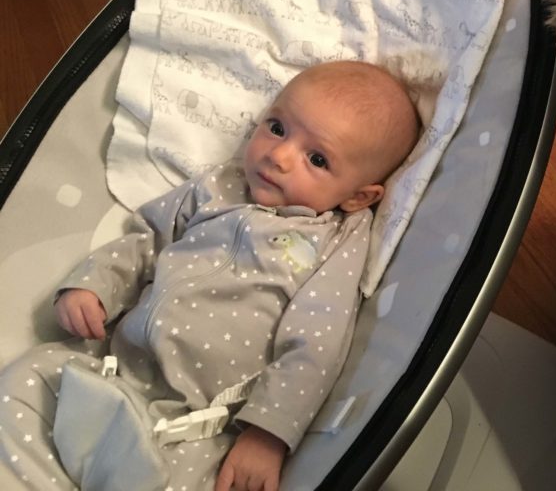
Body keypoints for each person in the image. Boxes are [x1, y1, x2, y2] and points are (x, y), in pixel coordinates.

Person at [0, 60, 420, 491]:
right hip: (107, 369)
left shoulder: (335, 240)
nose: (278, 155)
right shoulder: (219, 184)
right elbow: (146, 240)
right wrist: (93, 284)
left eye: (317, 159)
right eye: (277, 127)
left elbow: (318, 341)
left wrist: (268, 432)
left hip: (193, 429)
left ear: (357, 197)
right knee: (24, 381)